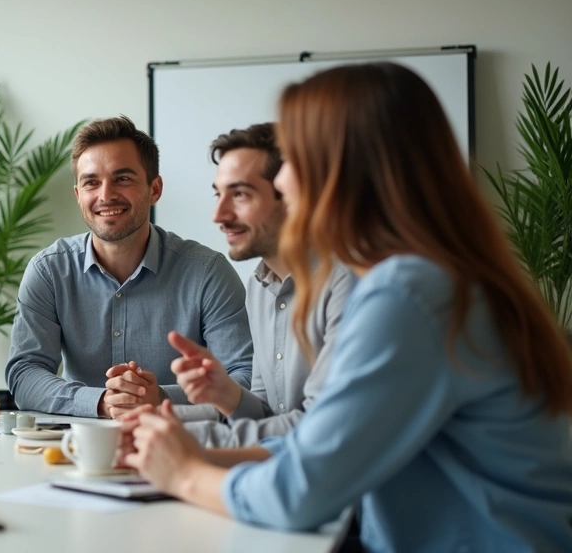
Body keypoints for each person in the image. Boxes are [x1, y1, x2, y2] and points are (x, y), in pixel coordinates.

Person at [123, 62, 572, 551]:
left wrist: (185, 473)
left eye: (293, 159)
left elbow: (300, 492)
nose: (283, 181)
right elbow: (317, 448)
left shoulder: (409, 293)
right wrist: (191, 453)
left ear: (343, 168)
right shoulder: (437, 276)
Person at [5, 116, 253, 419]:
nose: (105, 195)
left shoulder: (208, 273)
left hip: (182, 438)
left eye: (122, 179)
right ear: (78, 195)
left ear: (154, 189)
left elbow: (245, 377)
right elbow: (25, 374)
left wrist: (162, 398)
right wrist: (101, 402)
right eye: (91, 182)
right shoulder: (48, 271)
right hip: (81, 443)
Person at [171, 123, 354, 447]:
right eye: (218, 194)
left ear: (291, 196)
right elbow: (269, 414)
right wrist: (227, 395)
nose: (219, 215)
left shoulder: (346, 282)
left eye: (240, 194)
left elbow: (320, 428)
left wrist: (189, 437)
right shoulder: (259, 286)